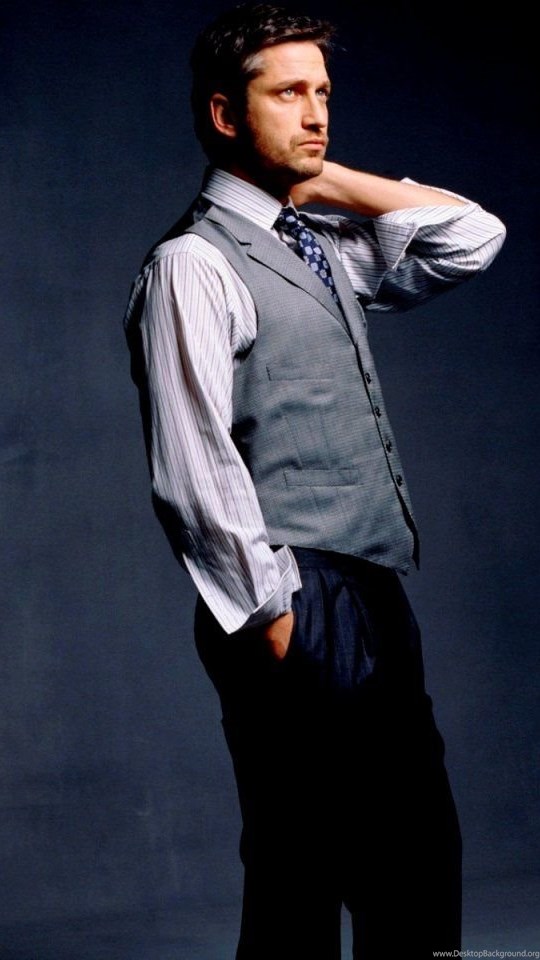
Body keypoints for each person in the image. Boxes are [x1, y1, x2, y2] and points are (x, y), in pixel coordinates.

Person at [123, 4, 506, 957]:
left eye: (324, 93)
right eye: (288, 93)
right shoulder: (192, 265)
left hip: (372, 589)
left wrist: (320, 177)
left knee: (415, 861)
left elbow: (472, 235)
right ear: (225, 114)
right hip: (296, 597)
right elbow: (192, 466)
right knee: (300, 877)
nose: (317, 113)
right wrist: (275, 617)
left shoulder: (322, 245)